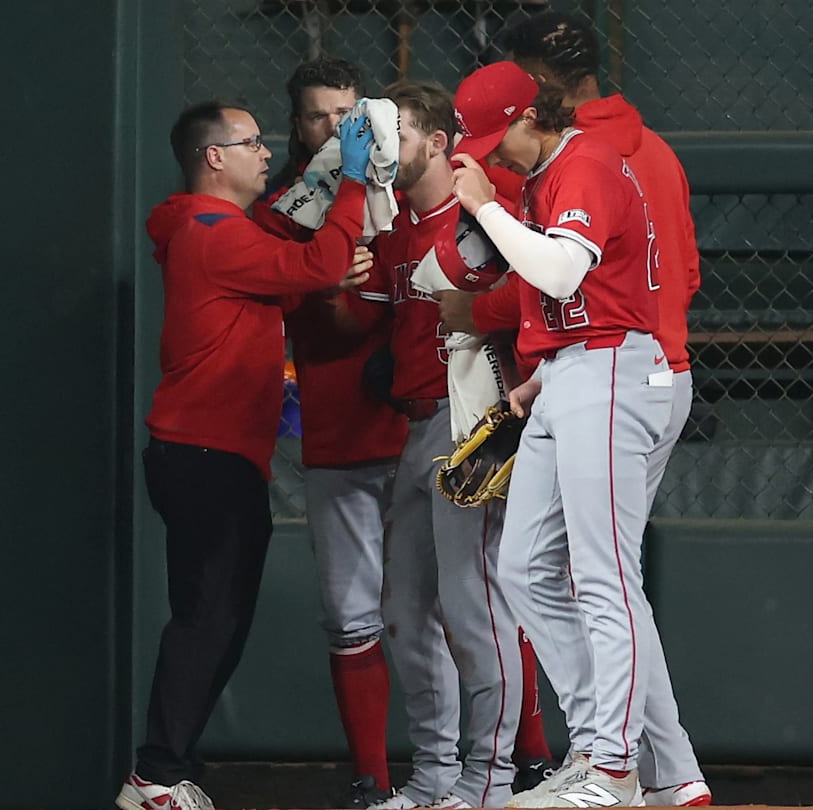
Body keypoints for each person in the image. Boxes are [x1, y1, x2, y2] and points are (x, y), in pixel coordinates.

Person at [450, 12, 711, 804]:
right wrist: (543, 374)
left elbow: (565, 273)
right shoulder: (559, 171)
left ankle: (612, 764)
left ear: (534, 109)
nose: (488, 164)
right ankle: (650, 766)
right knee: (524, 566)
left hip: (620, 370)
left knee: (604, 577)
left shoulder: (587, 164)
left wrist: (486, 211)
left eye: (495, 146)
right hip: (576, 369)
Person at [115, 100, 377, 810]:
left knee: (217, 620)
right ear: (213, 158)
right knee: (208, 620)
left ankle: (167, 772)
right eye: (250, 141)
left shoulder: (222, 231)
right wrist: (351, 181)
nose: (265, 151)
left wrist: (322, 268)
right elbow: (316, 257)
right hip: (206, 455)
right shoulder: (210, 231)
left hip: (213, 455)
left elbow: (291, 276)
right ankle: (155, 777)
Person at [340, 80, 530, 810]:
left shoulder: (479, 215)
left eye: (397, 134)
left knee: (471, 604)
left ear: (438, 144)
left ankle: (489, 783)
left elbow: (537, 302)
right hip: (418, 427)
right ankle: (434, 782)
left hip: (479, 426)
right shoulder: (393, 230)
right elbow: (366, 322)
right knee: (404, 607)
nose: (385, 146)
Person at [251, 58, 408, 809]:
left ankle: (508, 768)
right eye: (320, 116)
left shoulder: (407, 191)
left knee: (460, 608)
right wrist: (320, 275)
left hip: (420, 429)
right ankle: (372, 782)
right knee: (352, 617)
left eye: (349, 113)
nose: (336, 129)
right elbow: (305, 315)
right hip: (338, 437)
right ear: (297, 125)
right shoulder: (283, 210)